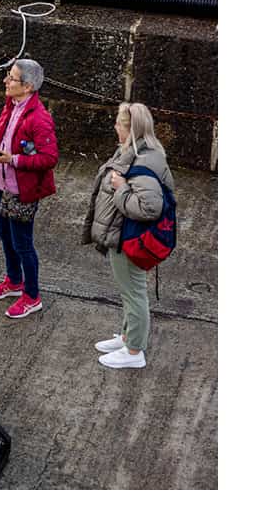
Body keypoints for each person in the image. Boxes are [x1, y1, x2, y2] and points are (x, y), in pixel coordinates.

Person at [82, 102, 175, 369]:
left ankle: (134, 352)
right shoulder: (140, 150)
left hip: (129, 239)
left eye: (119, 123)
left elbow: (149, 207)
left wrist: (121, 189)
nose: (114, 126)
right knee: (129, 291)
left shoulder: (144, 160)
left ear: (130, 128)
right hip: (123, 236)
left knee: (134, 293)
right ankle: (127, 337)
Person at [0, 59, 58, 319]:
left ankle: (32, 296)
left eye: (11, 78)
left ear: (28, 86)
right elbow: (4, 140)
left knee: (23, 244)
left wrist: (13, 160)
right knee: (6, 238)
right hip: (4, 184)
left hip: (23, 190)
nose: (5, 81)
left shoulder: (40, 119)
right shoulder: (12, 105)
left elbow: (49, 158)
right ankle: (13, 281)